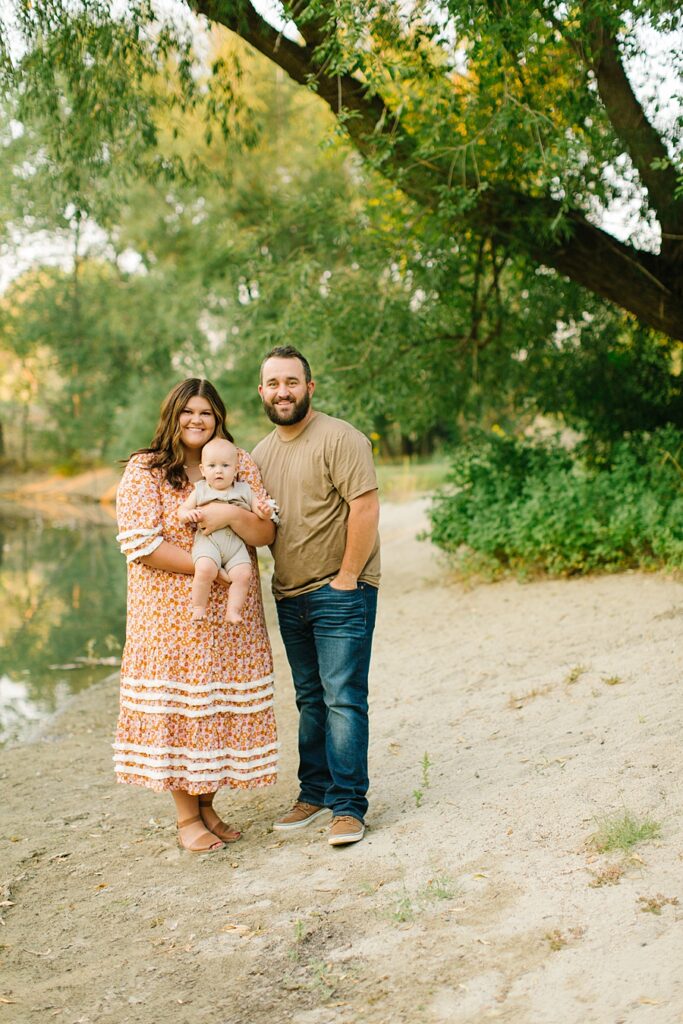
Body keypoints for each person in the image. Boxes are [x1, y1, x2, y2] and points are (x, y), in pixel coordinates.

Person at [114, 379, 279, 853]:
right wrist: (213, 570)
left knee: (217, 710)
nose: (196, 420)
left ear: (218, 418)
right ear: (172, 415)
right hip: (167, 615)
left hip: (230, 616)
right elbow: (140, 544)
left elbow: (265, 531)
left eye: (206, 412)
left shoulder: (238, 461)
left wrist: (229, 519)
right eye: (188, 412)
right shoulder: (146, 470)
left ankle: (208, 806)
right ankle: (187, 816)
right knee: (181, 712)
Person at [254, 345, 380, 846]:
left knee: (344, 699)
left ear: (310, 387)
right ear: (261, 392)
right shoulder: (258, 456)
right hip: (289, 594)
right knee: (310, 700)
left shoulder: (342, 438)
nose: (282, 391)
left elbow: (365, 509)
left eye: (291, 381)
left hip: (341, 591)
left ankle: (349, 807)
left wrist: (347, 577)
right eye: (273, 384)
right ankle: (315, 792)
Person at [178, 436, 275, 624]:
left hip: (235, 546)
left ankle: (233, 610)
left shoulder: (244, 490)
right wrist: (187, 515)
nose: (218, 471)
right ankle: (198, 607)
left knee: (243, 574)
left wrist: (264, 511)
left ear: (236, 468)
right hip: (209, 542)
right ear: (203, 470)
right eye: (212, 466)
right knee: (205, 569)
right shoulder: (200, 490)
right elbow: (182, 510)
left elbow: (259, 512)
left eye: (225, 466)